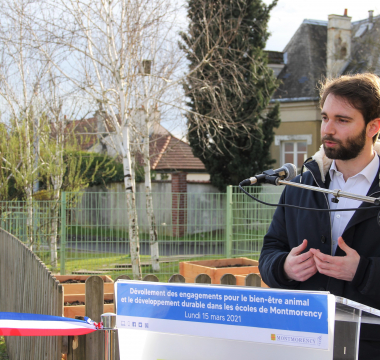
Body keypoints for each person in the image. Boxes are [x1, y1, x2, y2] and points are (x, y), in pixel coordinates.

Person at [258, 73, 380, 359]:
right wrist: (285, 267)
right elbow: (270, 251)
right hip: (302, 342)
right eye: (325, 117)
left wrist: (362, 272)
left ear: (373, 126)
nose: (328, 129)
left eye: (342, 120)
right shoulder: (302, 184)